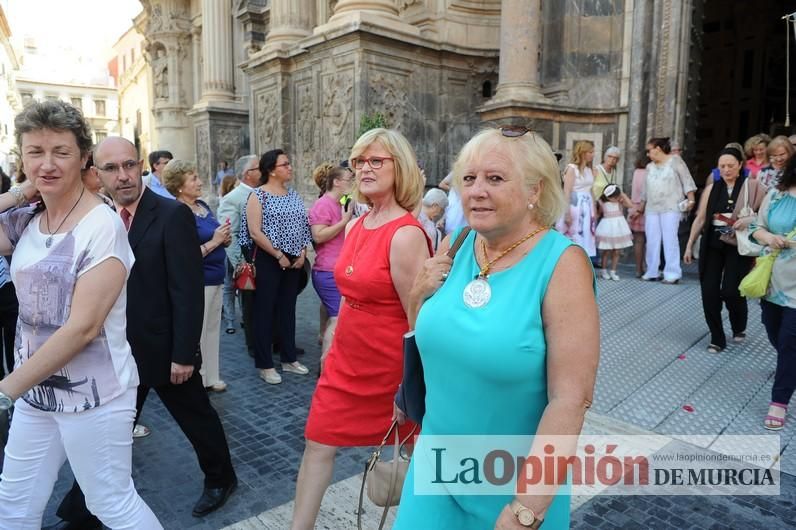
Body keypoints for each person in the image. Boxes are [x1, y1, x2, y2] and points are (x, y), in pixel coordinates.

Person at [393, 127, 599, 529]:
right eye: (468, 179)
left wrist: (527, 508)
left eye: (495, 178)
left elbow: (571, 399)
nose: (476, 190)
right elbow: (430, 336)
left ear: (534, 191)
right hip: (435, 468)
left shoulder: (562, 263)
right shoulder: (457, 242)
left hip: (513, 486)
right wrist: (417, 296)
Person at [51, 137, 238, 529]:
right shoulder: (99, 217)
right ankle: (82, 511)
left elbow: (186, 290)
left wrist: (184, 354)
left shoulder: (171, 215)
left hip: (166, 350)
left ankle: (222, 479)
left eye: (129, 165)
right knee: (108, 436)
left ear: (140, 167)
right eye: (111, 169)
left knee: (198, 420)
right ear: (97, 176)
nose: (123, 176)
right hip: (118, 351)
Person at [0, 100, 162, 529]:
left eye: (60, 152)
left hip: (95, 395)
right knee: (12, 504)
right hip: (36, 391)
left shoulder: (101, 225)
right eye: (35, 152)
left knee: (111, 503)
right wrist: (21, 191)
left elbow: (83, 328)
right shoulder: (27, 220)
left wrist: (5, 390)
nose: (47, 164)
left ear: (83, 156)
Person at [291, 128, 431, 529]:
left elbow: (417, 317)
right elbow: (350, 294)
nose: (364, 169)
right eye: (359, 162)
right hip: (344, 362)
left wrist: (410, 387)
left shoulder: (406, 234)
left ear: (398, 167)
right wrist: (333, 333)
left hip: (388, 369)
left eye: (376, 161)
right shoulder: (356, 224)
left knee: (412, 455)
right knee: (317, 442)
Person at [240, 149, 312, 384]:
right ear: (271, 169)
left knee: (287, 309)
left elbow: (304, 224)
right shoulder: (257, 196)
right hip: (268, 258)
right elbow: (254, 231)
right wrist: (278, 254)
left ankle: (289, 359)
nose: (290, 167)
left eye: (289, 163)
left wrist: (302, 252)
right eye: (285, 164)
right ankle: (265, 364)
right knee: (264, 311)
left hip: (293, 258)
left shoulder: (292, 194)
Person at [684, 147, 766, 353]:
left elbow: (766, 214)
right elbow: (701, 218)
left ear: (740, 165)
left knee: (731, 290)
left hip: (738, 245)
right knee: (709, 291)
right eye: (722, 166)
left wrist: (748, 219)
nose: (727, 169)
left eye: (731, 165)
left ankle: (739, 324)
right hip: (713, 242)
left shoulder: (753, 186)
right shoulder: (712, 188)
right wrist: (688, 245)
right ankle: (717, 337)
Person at [162, 159, 231, 391]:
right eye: (193, 178)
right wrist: (215, 241)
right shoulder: (177, 212)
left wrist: (224, 237)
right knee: (198, 333)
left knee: (212, 330)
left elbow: (215, 234)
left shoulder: (202, 206)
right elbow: (186, 255)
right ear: (179, 185)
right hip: (197, 281)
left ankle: (212, 376)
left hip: (216, 277)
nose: (200, 182)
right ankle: (198, 379)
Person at [749, 158, 796, 430]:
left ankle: (779, 402)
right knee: (773, 329)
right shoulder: (776, 195)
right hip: (773, 280)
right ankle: (789, 367)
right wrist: (770, 239)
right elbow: (757, 228)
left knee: (790, 341)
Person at [308, 162, 354, 358]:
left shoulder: (342, 201)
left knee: (332, 312)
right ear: (336, 182)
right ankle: (327, 365)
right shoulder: (323, 204)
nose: (354, 183)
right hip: (327, 270)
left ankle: (325, 342)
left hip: (338, 267)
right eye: (350, 180)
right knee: (338, 318)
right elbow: (318, 236)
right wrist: (344, 221)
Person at [637, 137, 696, 284]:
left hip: (671, 206)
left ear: (658, 149)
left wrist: (691, 199)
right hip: (652, 207)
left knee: (670, 239)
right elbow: (645, 189)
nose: (648, 154)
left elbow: (686, 180)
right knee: (652, 240)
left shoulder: (675, 160)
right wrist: (641, 207)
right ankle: (652, 271)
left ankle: (672, 273)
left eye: (649, 150)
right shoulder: (649, 167)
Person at [218, 154, 260, 350]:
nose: (263, 170)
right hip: (248, 260)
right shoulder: (232, 199)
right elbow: (231, 233)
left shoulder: (264, 192)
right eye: (258, 168)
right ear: (247, 174)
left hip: (267, 258)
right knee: (249, 303)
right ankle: (254, 343)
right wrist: (240, 264)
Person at [559, 140, 597, 258]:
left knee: (586, 236)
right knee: (574, 234)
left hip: (587, 205)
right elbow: (567, 191)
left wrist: (594, 210)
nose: (593, 154)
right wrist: (566, 213)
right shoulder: (572, 168)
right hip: (575, 205)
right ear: (582, 152)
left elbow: (591, 191)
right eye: (590, 152)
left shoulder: (590, 170)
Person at [595, 184, 634, 280]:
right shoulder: (601, 203)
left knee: (617, 251)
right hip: (607, 228)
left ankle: (613, 271)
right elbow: (598, 214)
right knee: (606, 251)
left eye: (618, 196)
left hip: (619, 228)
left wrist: (623, 195)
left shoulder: (619, 201)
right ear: (608, 196)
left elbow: (630, 205)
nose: (616, 198)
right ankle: (604, 271)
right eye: (614, 197)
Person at [629, 154, 649, 277]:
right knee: (650, 241)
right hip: (647, 207)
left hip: (635, 206)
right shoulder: (650, 171)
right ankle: (649, 268)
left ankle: (638, 269)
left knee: (638, 240)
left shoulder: (636, 172)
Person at [419, 187, 448, 252]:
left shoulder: (417, 213)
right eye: (441, 210)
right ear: (434, 206)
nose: (440, 213)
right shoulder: (426, 225)